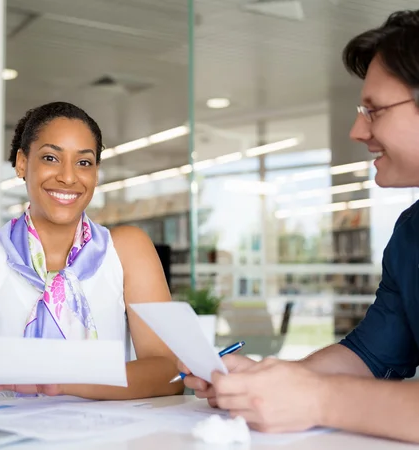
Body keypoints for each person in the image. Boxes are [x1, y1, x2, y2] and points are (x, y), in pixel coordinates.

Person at [179, 9, 419, 443]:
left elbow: (329, 393)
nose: (356, 129)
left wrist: (318, 399)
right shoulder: (411, 233)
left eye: (375, 110)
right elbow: (371, 353)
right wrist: (267, 380)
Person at [0, 101, 183, 408]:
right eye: (50, 158)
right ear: (21, 163)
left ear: (96, 173)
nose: (68, 177)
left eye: (84, 163)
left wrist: (62, 380)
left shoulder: (126, 250)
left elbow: (169, 374)